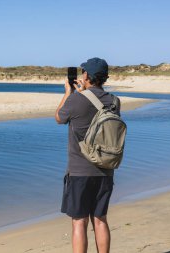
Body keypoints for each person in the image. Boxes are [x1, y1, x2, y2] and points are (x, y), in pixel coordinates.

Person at [55, 57, 120, 253]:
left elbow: (59, 117)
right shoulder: (115, 101)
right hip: (106, 169)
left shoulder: (76, 99)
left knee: (79, 222)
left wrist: (69, 93)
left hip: (80, 171)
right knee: (100, 220)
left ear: (86, 75)